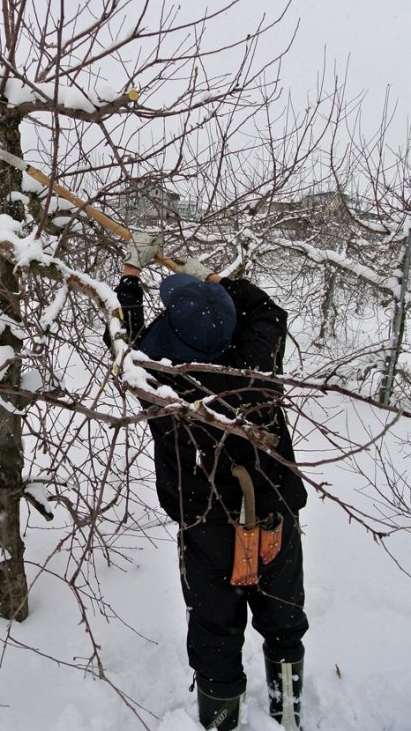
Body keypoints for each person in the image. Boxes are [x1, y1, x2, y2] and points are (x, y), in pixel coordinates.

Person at [109, 232, 308, 731]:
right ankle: (287, 709)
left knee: (214, 627)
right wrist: (216, 280)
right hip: (275, 507)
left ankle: (222, 719)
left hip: (206, 520)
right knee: (283, 615)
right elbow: (269, 311)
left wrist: (131, 278)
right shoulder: (259, 359)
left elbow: (123, 343)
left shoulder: (160, 381)